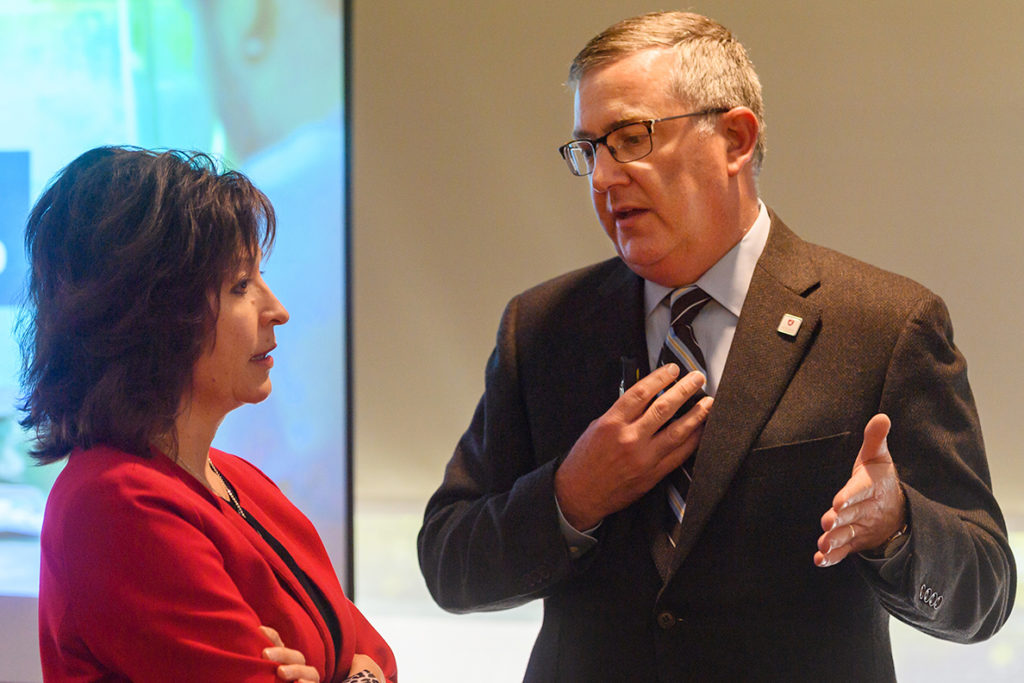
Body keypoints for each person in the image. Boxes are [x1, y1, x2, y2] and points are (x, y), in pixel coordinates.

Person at [417, 11, 1015, 681]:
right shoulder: (544, 326)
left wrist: (898, 527)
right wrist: (570, 497)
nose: (603, 178)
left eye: (631, 138)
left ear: (734, 138)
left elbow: (983, 596)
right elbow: (449, 561)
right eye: (590, 148)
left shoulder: (882, 324)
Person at [21, 147, 396, 683]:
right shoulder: (116, 503)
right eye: (241, 285)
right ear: (155, 314)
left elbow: (373, 651)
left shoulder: (243, 481)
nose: (277, 310)